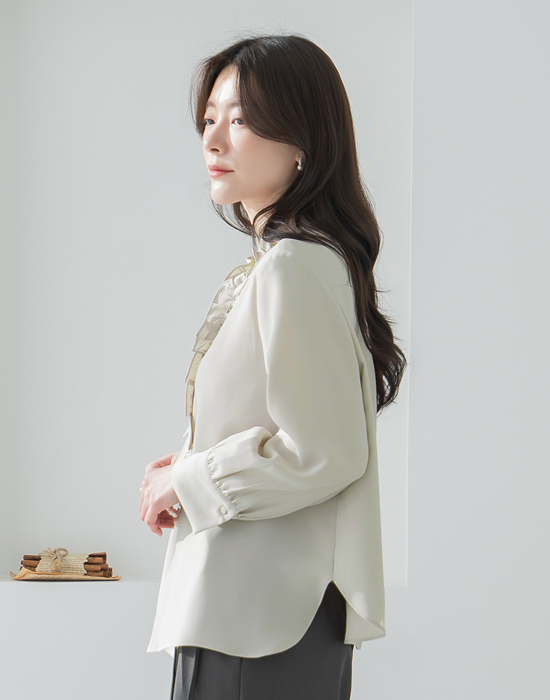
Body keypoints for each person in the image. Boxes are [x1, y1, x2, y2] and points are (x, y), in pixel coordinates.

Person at [139, 33, 407, 700]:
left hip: (259, 618)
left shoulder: (293, 266)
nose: (212, 139)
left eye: (240, 119)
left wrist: (189, 481)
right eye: (209, 119)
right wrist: (187, 464)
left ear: (301, 143)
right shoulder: (291, 263)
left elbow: (324, 452)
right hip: (255, 612)